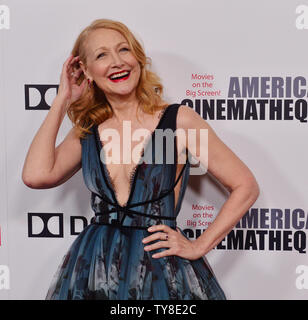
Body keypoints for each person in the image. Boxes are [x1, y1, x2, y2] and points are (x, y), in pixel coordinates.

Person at [22, 19, 259, 300]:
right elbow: (35, 175)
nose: (117, 62)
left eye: (124, 50)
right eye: (101, 55)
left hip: (160, 272)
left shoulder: (178, 120)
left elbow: (246, 185)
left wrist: (199, 246)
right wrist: (63, 99)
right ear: (85, 70)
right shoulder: (87, 129)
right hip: (94, 271)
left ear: (137, 57)